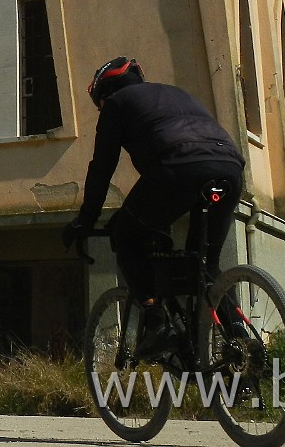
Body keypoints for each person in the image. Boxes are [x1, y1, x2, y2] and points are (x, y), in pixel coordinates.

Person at [61, 57, 245, 355]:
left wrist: (85, 220)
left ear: (105, 93)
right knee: (207, 265)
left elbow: (102, 167)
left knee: (124, 235)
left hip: (179, 168)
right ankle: (240, 340)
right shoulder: (180, 95)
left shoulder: (118, 103)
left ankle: (156, 323)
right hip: (229, 169)